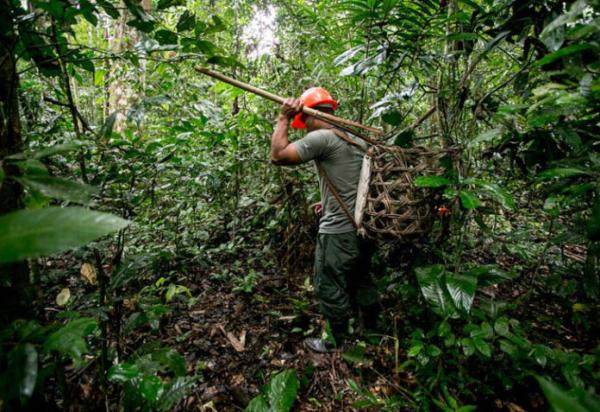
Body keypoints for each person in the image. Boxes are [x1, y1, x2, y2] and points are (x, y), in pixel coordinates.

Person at [270, 87, 378, 353]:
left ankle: (334, 340)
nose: (303, 127)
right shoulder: (356, 139)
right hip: (364, 227)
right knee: (361, 278)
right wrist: (328, 199)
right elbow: (356, 182)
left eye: (303, 121)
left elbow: (278, 156)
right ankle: (372, 333)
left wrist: (283, 118)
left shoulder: (323, 138)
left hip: (338, 232)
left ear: (312, 113)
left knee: (328, 283)